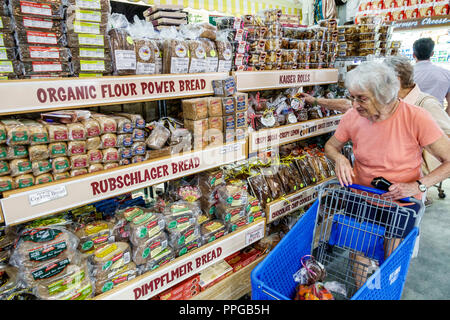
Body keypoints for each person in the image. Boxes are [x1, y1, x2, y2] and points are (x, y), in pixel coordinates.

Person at [324, 61, 450, 288]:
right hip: (362, 195)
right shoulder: (353, 116)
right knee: (358, 252)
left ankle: (388, 292)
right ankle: (368, 294)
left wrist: (419, 185)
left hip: (401, 203)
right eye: (352, 97)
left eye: (361, 98)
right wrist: (340, 158)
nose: (354, 104)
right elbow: (331, 146)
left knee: (392, 259)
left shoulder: (416, 117)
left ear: (383, 95)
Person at [384, 55, 450, 205]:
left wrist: (420, 184)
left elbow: (447, 134)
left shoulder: (425, 104)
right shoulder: (392, 103)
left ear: (396, 80)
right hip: (393, 189)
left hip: (413, 184)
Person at [412, 38, 450, 116]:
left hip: (411, 118)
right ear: (432, 54)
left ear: (413, 55)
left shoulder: (406, 75)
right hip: (436, 118)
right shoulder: (446, 74)